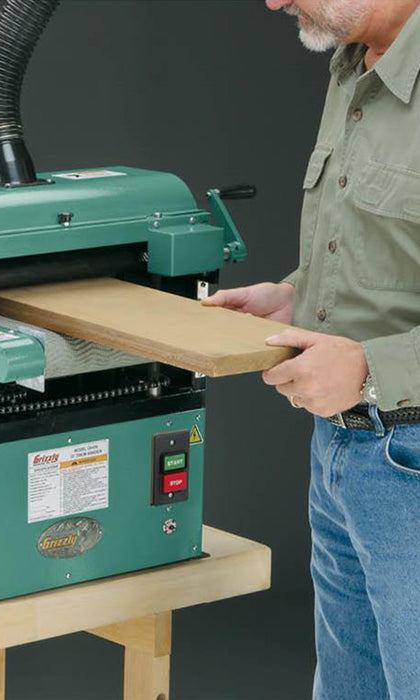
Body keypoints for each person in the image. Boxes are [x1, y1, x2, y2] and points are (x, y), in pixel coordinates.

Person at [202, 1, 420, 698]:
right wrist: (298, 295)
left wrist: (371, 369)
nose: (272, 1)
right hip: (340, 449)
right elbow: (392, 255)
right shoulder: (353, 65)